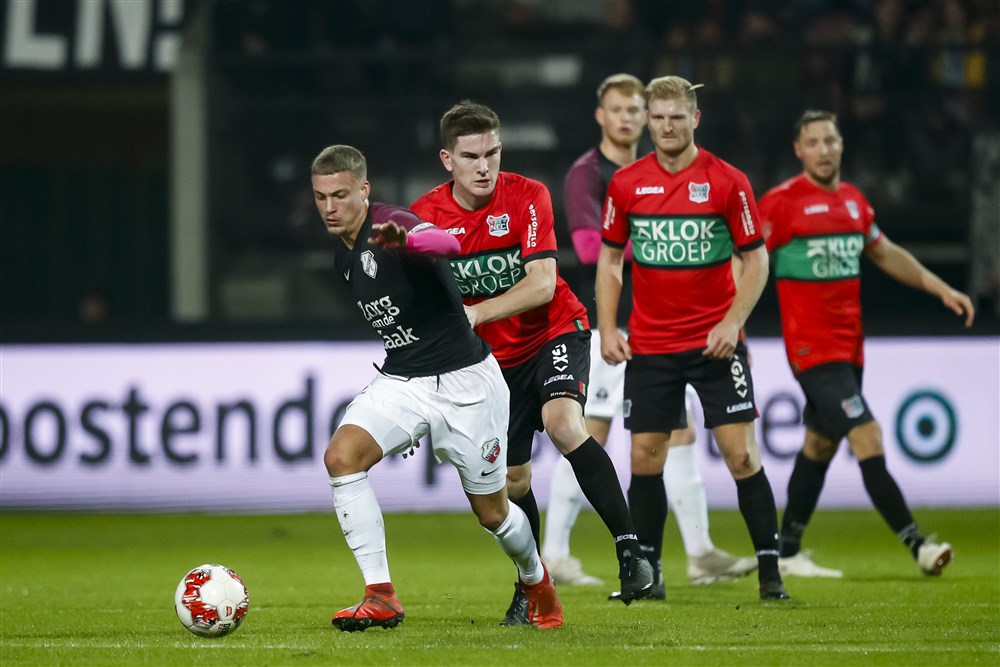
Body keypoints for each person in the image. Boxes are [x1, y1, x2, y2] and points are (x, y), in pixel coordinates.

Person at [411, 101, 654, 623]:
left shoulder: (528, 195)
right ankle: (532, 584)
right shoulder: (425, 216)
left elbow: (543, 285)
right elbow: (423, 307)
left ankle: (631, 552)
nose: (484, 166)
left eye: (492, 153)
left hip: (554, 330)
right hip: (492, 364)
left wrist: (476, 312)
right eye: (471, 156)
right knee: (514, 482)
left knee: (564, 423)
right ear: (447, 160)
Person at [313, 144, 562, 631]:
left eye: (340, 195)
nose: (330, 207)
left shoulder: (391, 224)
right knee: (341, 458)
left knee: (493, 513)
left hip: (465, 382)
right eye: (321, 197)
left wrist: (411, 239)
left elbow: (444, 244)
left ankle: (537, 582)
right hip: (404, 380)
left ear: (364, 190)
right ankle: (380, 595)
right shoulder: (344, 258)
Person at [543, 72, 757, 589]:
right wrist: (672, 240)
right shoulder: (590, 174)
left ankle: (700, 551)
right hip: (608, 324)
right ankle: (555, 553)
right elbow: (592, 250)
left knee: (678, 432)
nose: (627, 119)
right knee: (588, 431)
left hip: (659, 329)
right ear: (601, 116)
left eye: (635, 110)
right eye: (617, 110)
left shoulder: (650, 172)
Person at [596, 75, 790, 601]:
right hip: (651, 346)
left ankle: (771, 574)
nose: (666, 127)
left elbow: (756, 260)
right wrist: (609, 326)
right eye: (658, 118)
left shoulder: (728, 181)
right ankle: (650, 577)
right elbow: (610, 261)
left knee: (741, 456)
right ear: (647, 121)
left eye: (676, 118)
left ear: (695, 118)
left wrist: (732, 321)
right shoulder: (627, 184)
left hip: (714, 346)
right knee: (644, 458)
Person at [758, 110, 975, 578]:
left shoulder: (854, 202)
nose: (823, 150)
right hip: (812, 350)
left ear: (841, 145)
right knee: (867, 434)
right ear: (798, 150)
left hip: (850, 349)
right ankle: (918, 545)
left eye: (830, 141)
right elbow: (746, 259)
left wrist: (940, 288)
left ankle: (786, 551)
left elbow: (885, 252)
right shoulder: (781, 203)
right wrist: (729, 320)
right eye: (813, 142)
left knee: (820, 445)